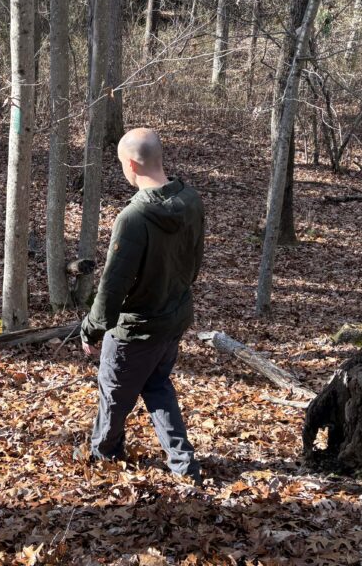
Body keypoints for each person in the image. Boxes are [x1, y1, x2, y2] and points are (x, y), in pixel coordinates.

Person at [79, 127, 205, 482]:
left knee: (114, 396)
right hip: (173, 320)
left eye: (121, 164)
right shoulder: (191, 200)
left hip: (137, 330)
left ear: (132, 164)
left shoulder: (133, 218)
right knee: (157, 387)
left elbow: (112, 285)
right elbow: (194, 265)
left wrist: (92, 328)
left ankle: (105, 454)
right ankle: (183, 463)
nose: (122, 169)